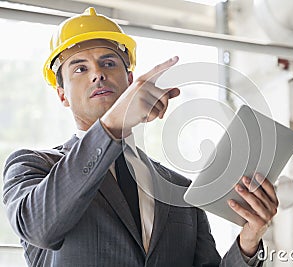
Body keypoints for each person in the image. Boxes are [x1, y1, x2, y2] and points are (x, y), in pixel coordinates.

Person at [2, 7, 278, 267]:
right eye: (80, 68)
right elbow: (39, 227)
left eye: (108, 63)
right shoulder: (34, 167)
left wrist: (249, 242)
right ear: (62, 95)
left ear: (130, 79)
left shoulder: (179, 189)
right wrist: (114, 123)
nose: (98, 74)